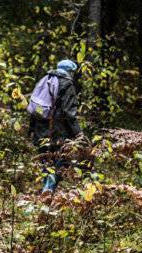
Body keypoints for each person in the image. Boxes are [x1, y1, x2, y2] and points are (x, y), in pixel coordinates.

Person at [28, 59, 83, 193]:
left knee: (46, 163)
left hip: (40, 129)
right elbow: (69, 112)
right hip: (58, 132)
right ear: (70, 72)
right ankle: (48, 193)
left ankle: (45, 191)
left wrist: (31, 129)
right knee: (60, 162)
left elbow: (34, 106)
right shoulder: (67, 84)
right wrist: (78, 133)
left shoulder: (45, 80)